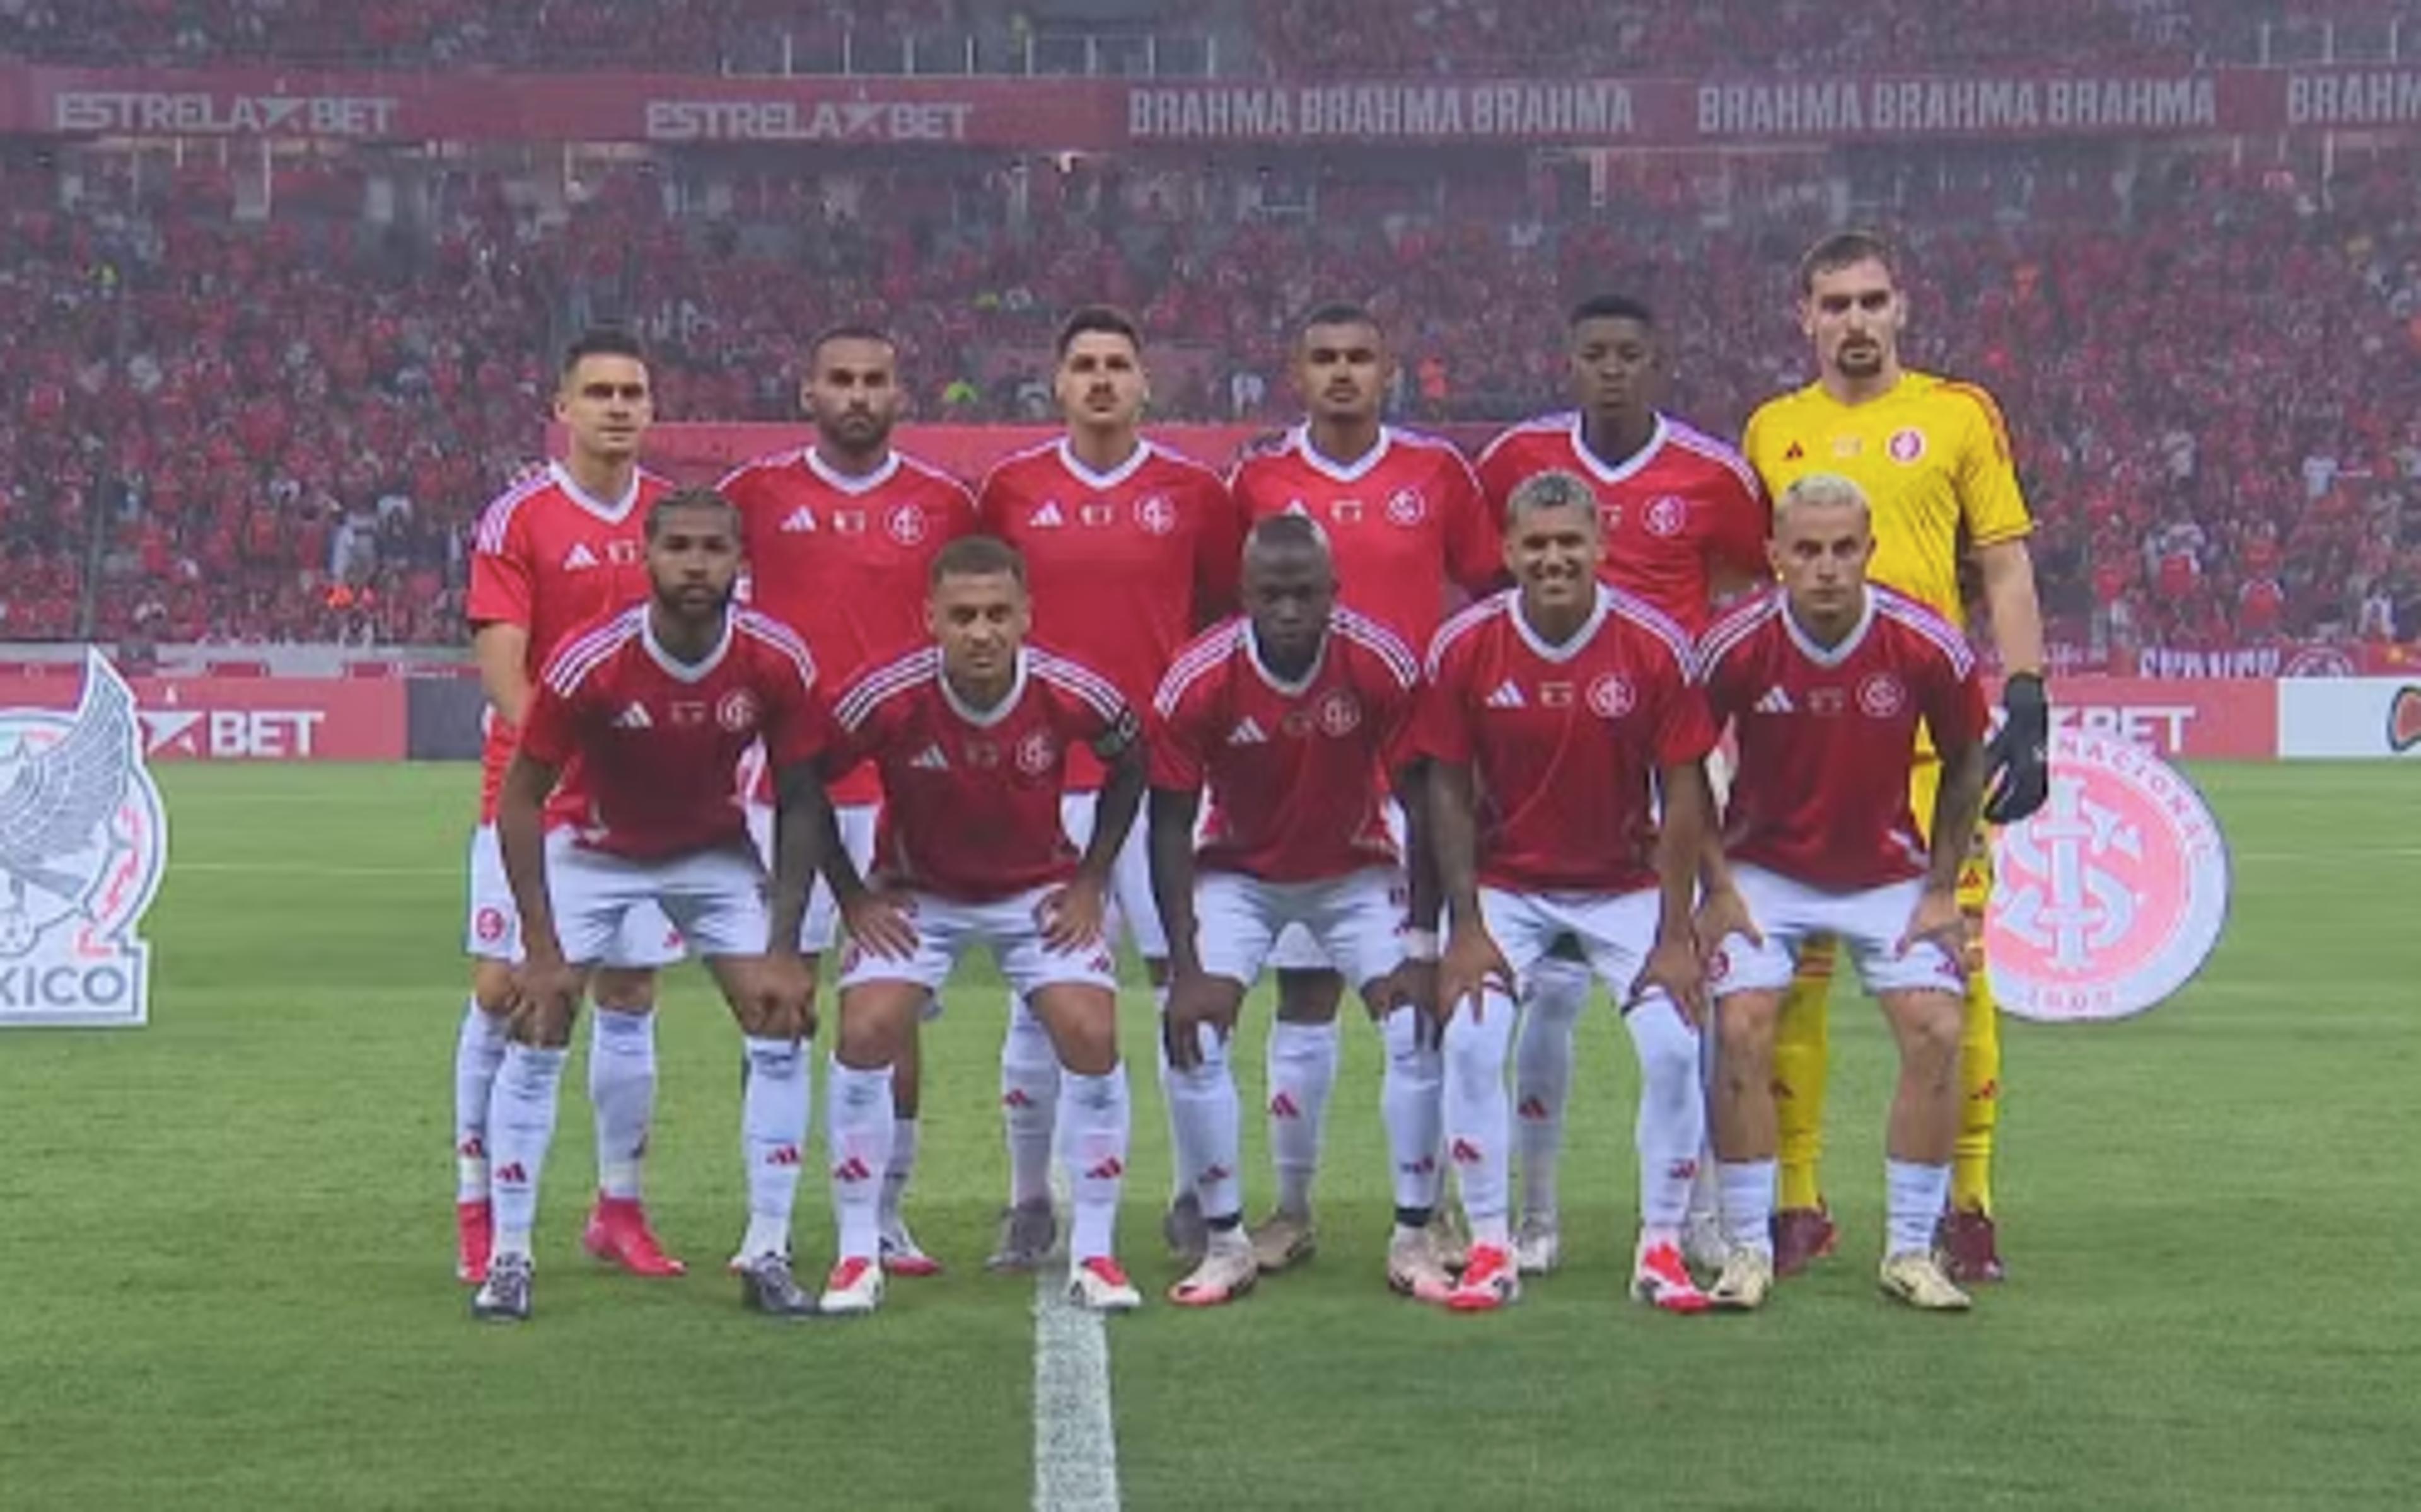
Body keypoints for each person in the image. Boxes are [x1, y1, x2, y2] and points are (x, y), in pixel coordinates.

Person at [1741, 230, 2052, 1281]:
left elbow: (2003, 562)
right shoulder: (1772, 430)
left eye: (1873, 299)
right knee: (1794, 984)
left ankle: (1969, 1199)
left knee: (1957, 980)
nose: (1856, 319)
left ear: (1903, 308)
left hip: (1930, 757)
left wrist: (2027, 695)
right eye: (1836, 302)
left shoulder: (1958, 414)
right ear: (1805, 315)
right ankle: (1795, 1197)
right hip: (1806, 755)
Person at [472, 487, 839, 1324]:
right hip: (592, 848)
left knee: (779, 1014)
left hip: (709, 850)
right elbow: (522, 799)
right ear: (648, 556)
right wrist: (539, 940)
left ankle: (769, 1250)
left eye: (715, 548)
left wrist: (786, 945)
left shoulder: (777, 657)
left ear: (742, 561)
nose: (697, 563)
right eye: (679, 547)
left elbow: (801, 797)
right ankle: (510, 1258)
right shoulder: (588, 659)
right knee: (543, 1013)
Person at [1473, 294, 1770, 1274]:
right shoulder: (1517, 460)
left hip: (1672, 751)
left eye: (1629, 354)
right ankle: (1537, 1211)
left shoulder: (1713, 472)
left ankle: (1697, 1217)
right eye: (1593, 352)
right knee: (1547, 1003)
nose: (1611, 369)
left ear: (1658, 362)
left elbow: (1741, 576)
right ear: (1570, 360)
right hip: (1547, 750)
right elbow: (1488, 571)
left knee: (1702, 990)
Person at [1222, 303, 1500, 1273]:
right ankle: (1291, 1209)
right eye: (1324, 359)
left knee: (1420, 994)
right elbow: (1232, 612)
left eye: (1360, 359)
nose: (1343, 374)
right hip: (1303, 772)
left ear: (1392, 371)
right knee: (1302, 993)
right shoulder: (1259, 478)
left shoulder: (1437, 474)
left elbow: (1493, 595)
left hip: (1415, 775)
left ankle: (1427, 1216)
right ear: (1295, 373)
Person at [815, 536, 1149, 1316]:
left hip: (1035, 892)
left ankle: (1096, 1252)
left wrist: (1092, 878)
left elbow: (1132, 759)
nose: (981, 631)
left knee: (1091, 1034)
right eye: (962, 615)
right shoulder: (887, 696)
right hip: (917, 896)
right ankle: (858, 1249)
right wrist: (853, 897)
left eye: (999, 613)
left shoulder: (1071, 690)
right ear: (929, 617)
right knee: (866, 1029)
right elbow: (805, 776)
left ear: (1028, 615)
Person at [977, 306, 1243, 1270]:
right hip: (1040, 782)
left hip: (1164, 783)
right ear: (1055, 382)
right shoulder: (1011, 489)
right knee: (1035, 997)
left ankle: (1196, 1193)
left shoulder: (1194, 493)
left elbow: (1223, 614)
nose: (1100, 380)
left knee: (1185, 982)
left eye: (1117, 365)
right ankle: (1028, 1200)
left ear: (1144, 383)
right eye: (1083, 364)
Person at [1419, 471, 1719, 1314]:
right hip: (1510, 885)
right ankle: (1490, 1243)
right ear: (1510, 550)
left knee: (1671, 1047)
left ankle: (1660, 1245)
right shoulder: (1467, 645)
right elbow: (1445, 785)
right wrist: (1467, 923)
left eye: (1570, 542)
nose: (1554, 558)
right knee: (1474, 1041)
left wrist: (1672, 932)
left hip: (1624, 884)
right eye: (1536, 544)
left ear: (1601, 546)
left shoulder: (1654, 645)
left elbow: (1685, 790)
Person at [1693, 475, 1990, 1312]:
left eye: (1843, 548)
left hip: (1889, 873)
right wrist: (1715, 884)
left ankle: (1909, 1251)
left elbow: (1967, 757)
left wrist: (1941, 889)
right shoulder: (1735, 641)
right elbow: (1680, 760)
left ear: (1870, 549)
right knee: (1742, 1023)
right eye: (1808, 550)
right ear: (1776, 555)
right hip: (1764, 871)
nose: (1826, 567)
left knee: (1938, 1025)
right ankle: (1747, 1247)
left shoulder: (1924, 640)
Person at [720, 325, 977, 1277]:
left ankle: (888, 1211)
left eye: (876, 380)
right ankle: (770, 1217)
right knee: (774, 1002)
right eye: (841, 380)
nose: (858, 395)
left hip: (909, 794)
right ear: (808, 391)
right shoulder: (757, 495)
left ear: (901, 394)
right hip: (779, 792)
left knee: (892, 1015)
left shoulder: (944, 503)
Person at [1149, 514, 1450, 1306]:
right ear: (1244, 594)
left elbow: (1423, 799)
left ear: (1333, 594)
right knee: (1194, 1029)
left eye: (1305, 594)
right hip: (1239, 872)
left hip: (1354, 870)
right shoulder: (1198, 677)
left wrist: (1423, 942)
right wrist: (1183, 965)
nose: (1288, 611)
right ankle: (1224, 1242)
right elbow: (1172, 822)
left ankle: (1416, 1234)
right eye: (1272, 595)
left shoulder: (1378, 661)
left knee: (1418, 1022)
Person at [455, 330, 684, 1289]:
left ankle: (617, 1207)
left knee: (630, 991)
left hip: (651, 806)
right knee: (511, 986)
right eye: (599, 391)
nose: (619, 406)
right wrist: (568, 753)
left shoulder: (677, 517)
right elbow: (505, 663)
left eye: (633, 391)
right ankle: (477, 1205)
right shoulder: (522, 518)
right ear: (562, 407)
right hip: (537, 796)